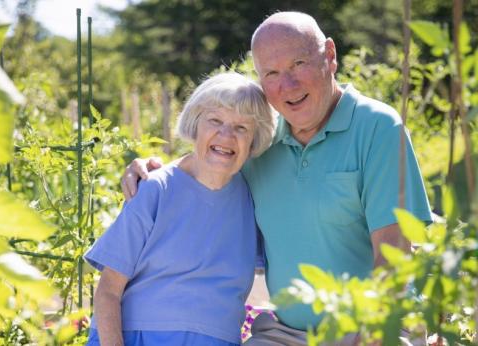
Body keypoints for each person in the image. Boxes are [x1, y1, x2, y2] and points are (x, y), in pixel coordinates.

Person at [121, 12, 432, 345]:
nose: (288, 85)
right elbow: (210, 157)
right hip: (286, 335)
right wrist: (154, 168)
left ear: (329, 55)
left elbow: (393, 260)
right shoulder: (262, 138)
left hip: (375, 325)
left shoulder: (378, 127)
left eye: (298, 64)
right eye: (271, 73)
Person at [84, 72, 275, 346]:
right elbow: (108, 291)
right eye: (215, 121)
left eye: (241, 128)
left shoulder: (254, 198)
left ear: (255, 139)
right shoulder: (154, 188)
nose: (226, 135)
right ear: (196, 124)